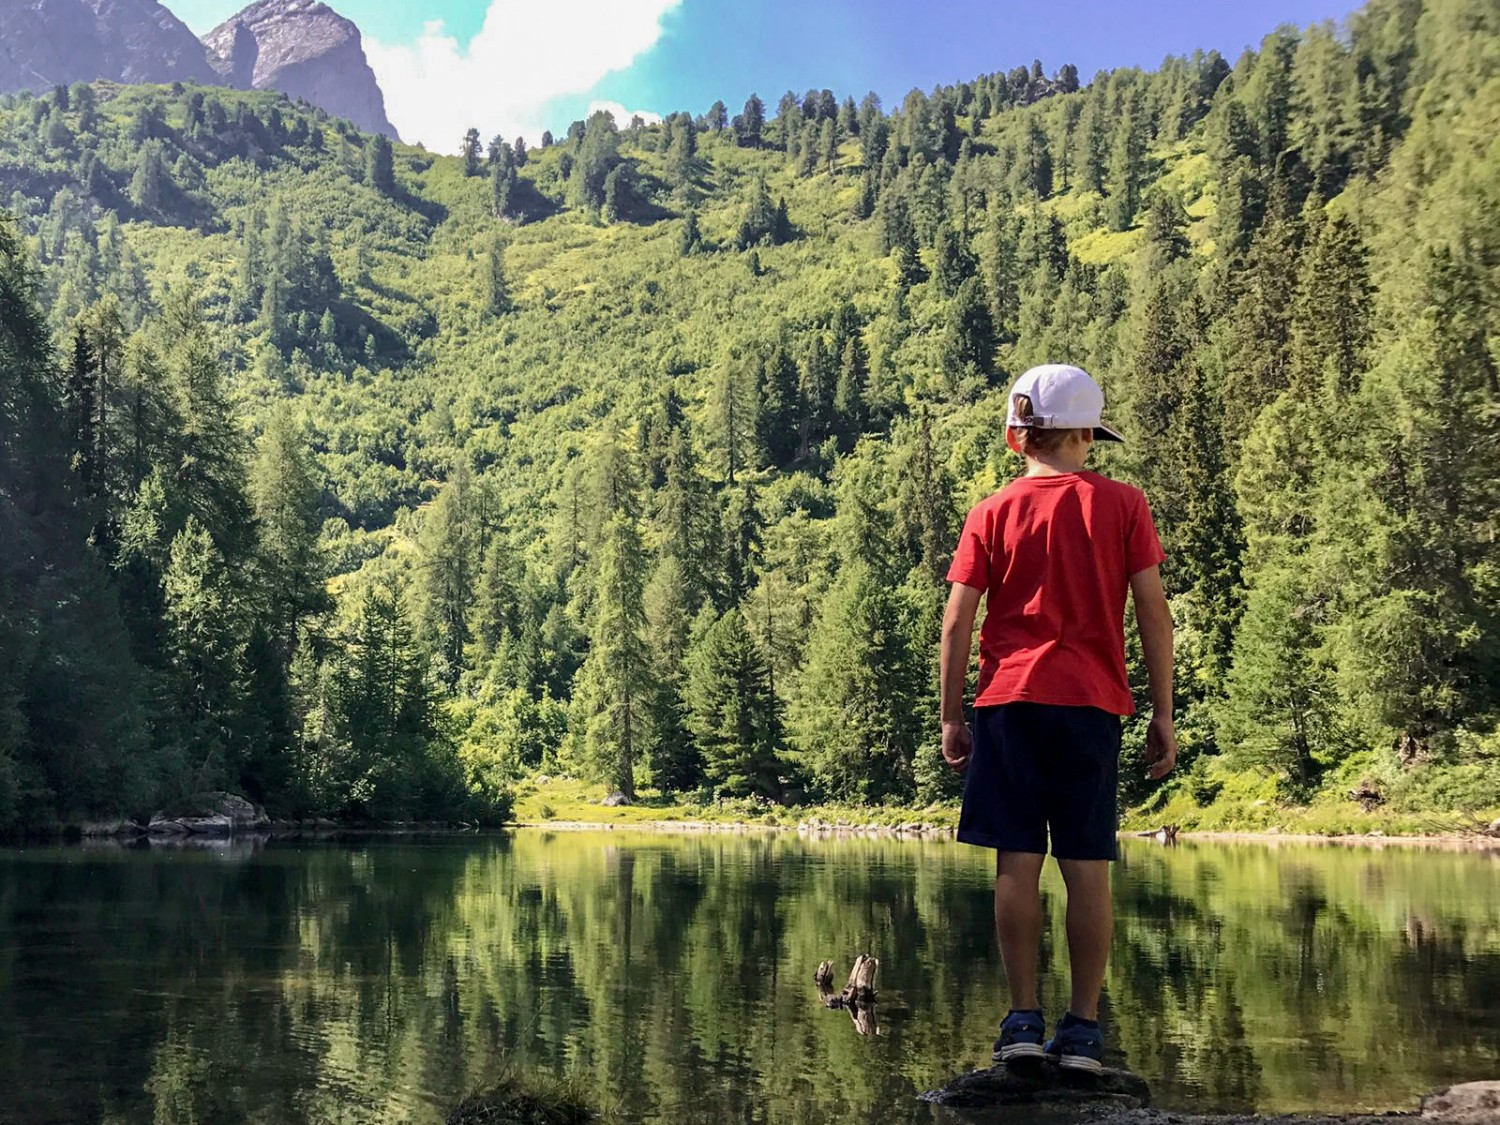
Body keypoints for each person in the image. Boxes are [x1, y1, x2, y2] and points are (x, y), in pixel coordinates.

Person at [939, 363, 1177, 1074]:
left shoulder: (993, 511)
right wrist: (1163, 712)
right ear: (1086, 433)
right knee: (1088, 867)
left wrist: (952, 715)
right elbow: (1154, 613)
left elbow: (957, 622)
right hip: (1092, 705)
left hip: (1009, 702)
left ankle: (1020, 1020)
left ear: (1021, 436)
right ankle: (1081, 1030)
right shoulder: (1124, 505)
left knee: (1018, 860)